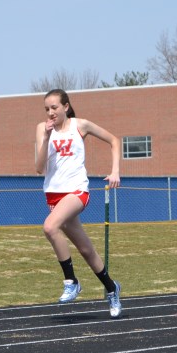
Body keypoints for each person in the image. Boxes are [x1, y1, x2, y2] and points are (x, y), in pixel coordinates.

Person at [35, 89, 123, 317]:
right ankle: (112, 288)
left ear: (66, 107)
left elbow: (114, 140)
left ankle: (71, 281)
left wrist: (115, 171)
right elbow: (39, 168)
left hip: (77, 191)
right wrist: (46, 138)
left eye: (54, 107)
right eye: (47, 109)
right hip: (53, 195)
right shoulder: (42, 129)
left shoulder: (80, 125)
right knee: (86, 249)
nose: (50, 112)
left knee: (49, 227)